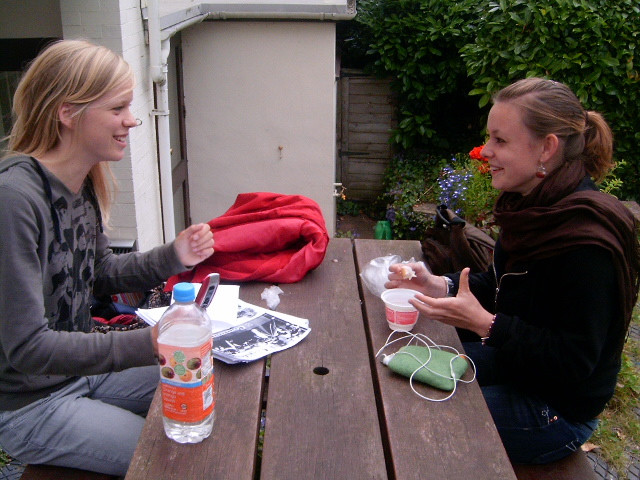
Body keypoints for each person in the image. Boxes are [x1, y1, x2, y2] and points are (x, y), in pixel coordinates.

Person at [386, 77, 640, 464]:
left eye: (500, 140)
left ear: (547, 148)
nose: (485, 151)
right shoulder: (532, 208)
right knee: (401, 374)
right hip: (519, 368)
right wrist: (439, 284)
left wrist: (487, 325)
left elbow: (574, 361)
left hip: (555, 409)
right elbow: (501, 285)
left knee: (411, 419)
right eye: (489, 138)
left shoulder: (586, 239)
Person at [0, 39, 215, 476]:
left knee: (202, 378)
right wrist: (150, 343)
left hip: (80, 375)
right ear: (67, 112)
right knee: (169, 460)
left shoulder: (80, 184)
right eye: (118, 109)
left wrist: (174, 255)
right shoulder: (15, 200)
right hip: (31, 404)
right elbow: (26, 348)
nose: (132, 121)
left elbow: (98, 275)